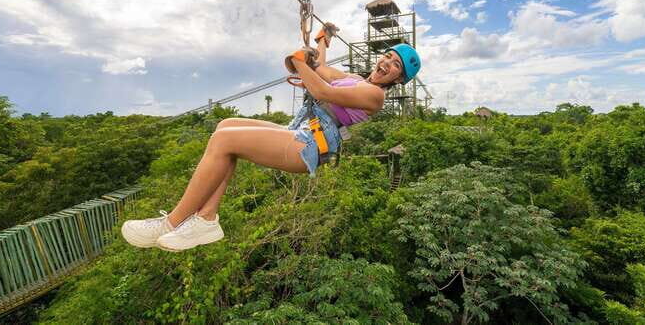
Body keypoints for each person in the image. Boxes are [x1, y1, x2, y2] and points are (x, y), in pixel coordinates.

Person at [121, 26, 421, 252]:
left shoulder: (374, 95)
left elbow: (323, 91)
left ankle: (173, 222)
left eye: (395, 65)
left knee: (226, 142)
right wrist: (319, 44)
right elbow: (321, 71)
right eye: (388, 56)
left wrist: (299, 62)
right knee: (225, 125)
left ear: (398, 79)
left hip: (311, 142)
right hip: (301, 128)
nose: (386, 63)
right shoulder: (357, 80)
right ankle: (206, 217)